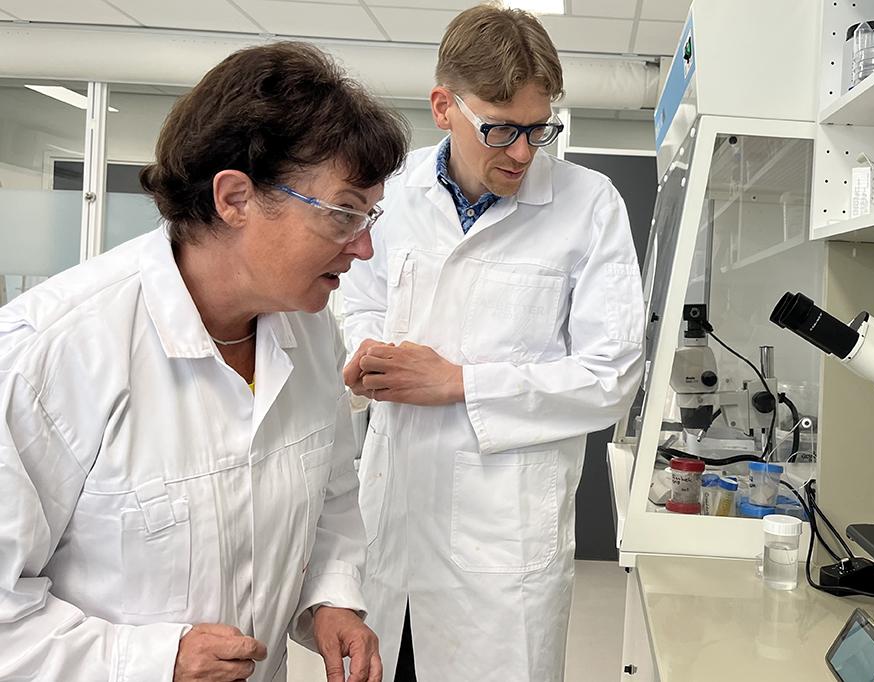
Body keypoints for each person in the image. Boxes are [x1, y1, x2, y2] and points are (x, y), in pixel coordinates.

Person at [0, 42, 408, 682]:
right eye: (343, 213)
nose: (364, 246)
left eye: (369, 214)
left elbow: (329, 493)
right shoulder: (52, 353)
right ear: (235, 197)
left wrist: (331, 601)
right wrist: (151, 661)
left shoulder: (310, 329)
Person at [340, 4, 646, 681]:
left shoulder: (588, 204)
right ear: (444, 106)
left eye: (540, 129)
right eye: (502, 129)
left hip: (504, 555)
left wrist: (462, 382)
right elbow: (354, 299)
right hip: (392, 525)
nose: (524, 153)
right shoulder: (393, 191)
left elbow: (612, 374)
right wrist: (363, 353)